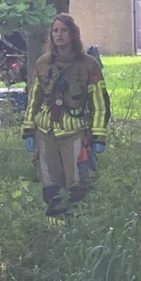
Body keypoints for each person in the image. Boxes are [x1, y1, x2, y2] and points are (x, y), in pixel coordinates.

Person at [23, 14, 108, 224]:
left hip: (75, 133)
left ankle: (76, 233)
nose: (59, 35)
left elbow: (99, 102)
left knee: (78, 186)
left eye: (63, 30)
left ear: (72, 34)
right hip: (45, 133)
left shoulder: (89, 65)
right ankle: (56, 236)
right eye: (55, 31)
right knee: (51, 187)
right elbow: (34, 98)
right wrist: (28, 129)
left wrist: (98, 136)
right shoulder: (43, 64)